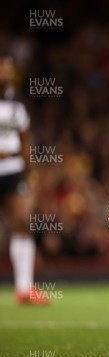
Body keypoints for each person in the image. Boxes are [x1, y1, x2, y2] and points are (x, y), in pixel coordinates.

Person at [0, 51, 49, 305]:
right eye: (3, 67)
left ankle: (25, 289)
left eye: (9, 67)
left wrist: (30, 175)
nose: (7, 72)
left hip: (12, 170)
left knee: (23, 223)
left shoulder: (17, 105)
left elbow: (26, 141)